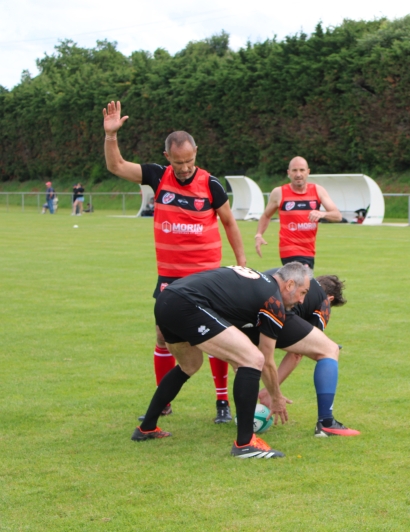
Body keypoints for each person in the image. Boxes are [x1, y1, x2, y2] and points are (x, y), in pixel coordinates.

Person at [103, 100, 246, 424]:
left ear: (197, 153)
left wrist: (241, 263)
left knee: (218, 337)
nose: (184, 167)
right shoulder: (157, 176)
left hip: (208, 277)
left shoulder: (211, 184)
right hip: (170, 278)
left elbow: (230, 223)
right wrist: (111, 136)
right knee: (162, 336)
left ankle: (222, 402)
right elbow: (117, 167)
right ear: (168, 157)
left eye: (190, 160)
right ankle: (163, 401)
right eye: (179, 161)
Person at [132, 263, 314, 459]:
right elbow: (267, 361)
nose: (302, 300)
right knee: (254, 358)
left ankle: (146, 428)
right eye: (302, 292)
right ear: (289, 285)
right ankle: (245, 444)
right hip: (187, 304)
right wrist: (276, 397)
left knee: (190, 365)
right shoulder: (273, 300)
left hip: (167, 299)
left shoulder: (257, 280)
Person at [261, 269, 358, 437]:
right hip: (276, 314)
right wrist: (272, 390)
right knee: (329, 349)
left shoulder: (299, 281)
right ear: (331, 299)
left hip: (248, 311)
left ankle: (227, 409)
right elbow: (297, 353)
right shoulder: (323, 301)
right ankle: (326, 422)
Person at [254, 157, 341, 269]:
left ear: (308, 172)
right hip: (289, 249)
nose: (298, 174)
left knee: (300, 284)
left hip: (309, 250)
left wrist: (323, 214)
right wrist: (259, 234)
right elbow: (266, 215)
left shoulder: (318, 191)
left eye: (302, 170)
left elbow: (337, 216)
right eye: (294, 170)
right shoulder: (279, 193)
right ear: (288, 173)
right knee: (301, 277)